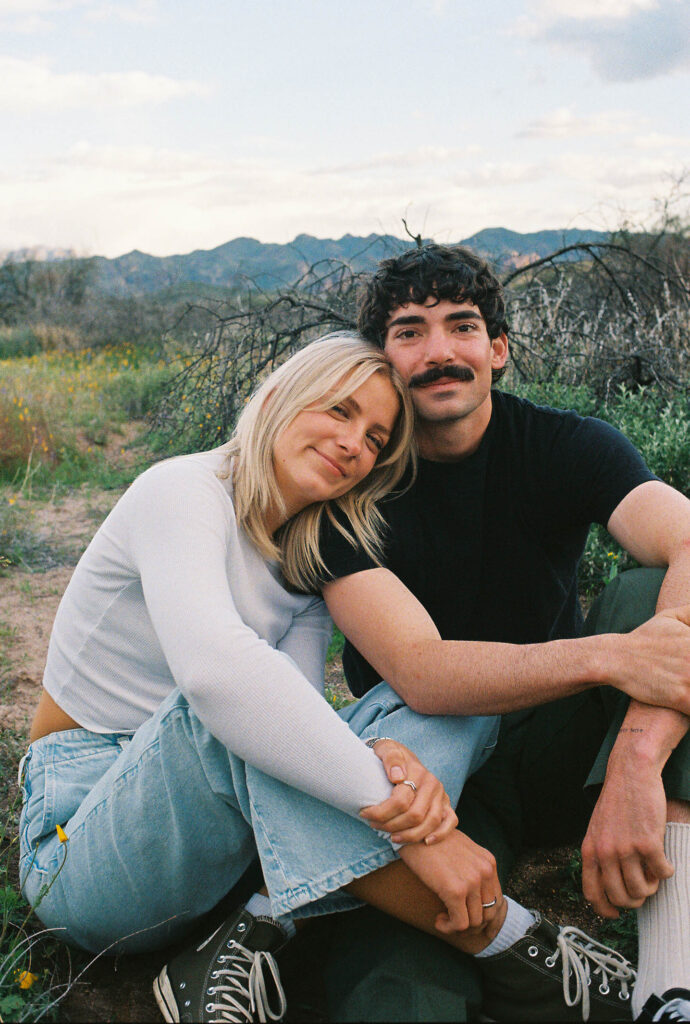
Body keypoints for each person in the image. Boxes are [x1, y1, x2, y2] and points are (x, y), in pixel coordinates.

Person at [19, 333, 515, 1024]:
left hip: (221, 848)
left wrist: (380, 758)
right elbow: (220, 679)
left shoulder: (303, 564)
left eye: (375, 438)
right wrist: (417, 831)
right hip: (85, 846)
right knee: (235, 700)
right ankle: (514, 943)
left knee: (453, 707)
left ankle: (249, 932)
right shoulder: (180, 490)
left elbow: (293, 733)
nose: (354, 444)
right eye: (338, 412)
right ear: (278, 398)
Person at [312, 245, 690, 1023]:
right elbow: (419, 673)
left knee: (651, 593)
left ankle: (672, 982)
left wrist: (636, 755)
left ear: (498, 349)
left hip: (564, 743)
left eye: (462, 326)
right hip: (434, 764)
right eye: (410, 332)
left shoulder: (563, 444)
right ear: (381, 361)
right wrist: (608, 655)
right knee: (401, 960)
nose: (440, 351)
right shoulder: (348, 489)